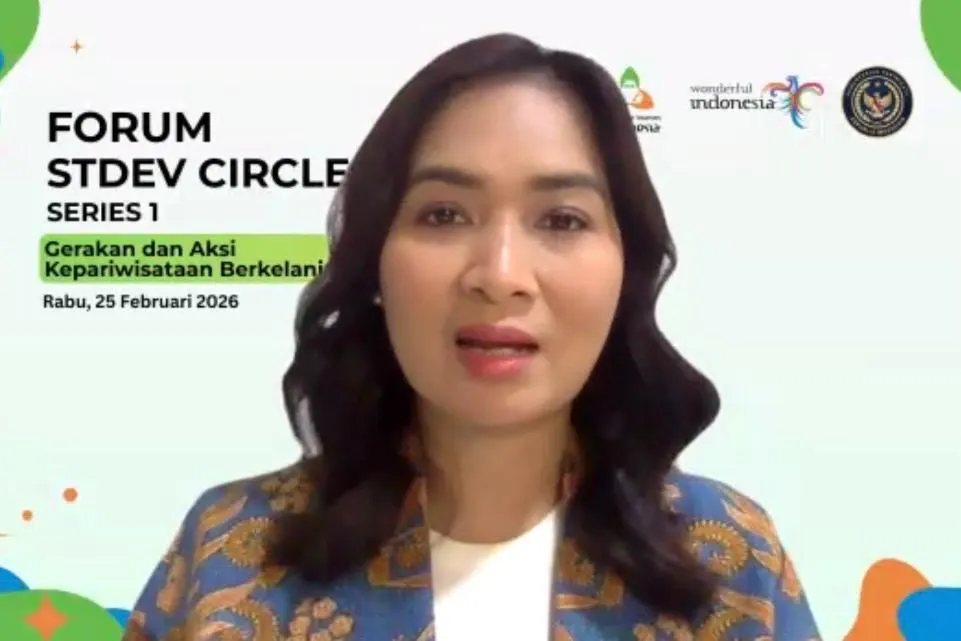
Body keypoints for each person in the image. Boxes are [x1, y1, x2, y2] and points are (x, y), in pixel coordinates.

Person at [123, 33, 820, 641]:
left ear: (625, 269)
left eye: (562, 220)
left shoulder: (728, 557)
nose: (501, 275)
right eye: (444, 214)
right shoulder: (231, 552)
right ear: (375, 261)